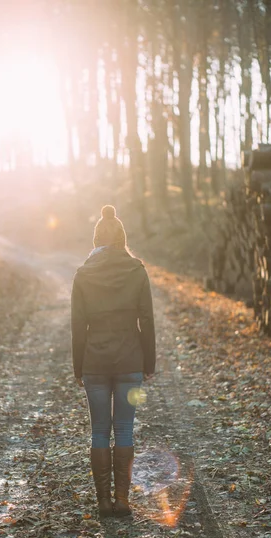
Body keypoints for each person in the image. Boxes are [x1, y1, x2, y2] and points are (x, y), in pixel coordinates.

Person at [71, 205, 156, 518]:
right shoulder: (137, 270)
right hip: (129, 359)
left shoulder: (83, 274)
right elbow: (146, 319)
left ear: (96, 240)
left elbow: (78, 325)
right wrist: (149, 362)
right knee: (124, 431)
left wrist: (78, 367)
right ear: (122, 238)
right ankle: (122, 501)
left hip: (94, 361)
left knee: (98, 432)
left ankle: (103, 504)